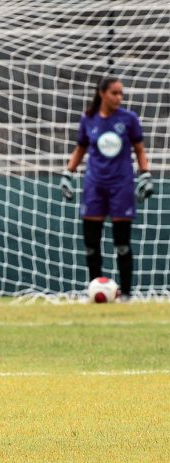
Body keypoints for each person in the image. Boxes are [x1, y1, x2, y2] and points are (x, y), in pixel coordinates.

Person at [60, 77, 151, 301]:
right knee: (91, 244)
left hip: (121, 185)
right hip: (95, 185)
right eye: (114, 93)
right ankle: (94, 290)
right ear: (102, 94)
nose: (119, 98)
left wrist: (145, 174)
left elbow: (139, 149)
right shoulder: (89, 119)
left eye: (121, 93)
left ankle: (127, 293)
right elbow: (80, 149)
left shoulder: (128, 119)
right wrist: (67, 174)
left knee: (122, 243)